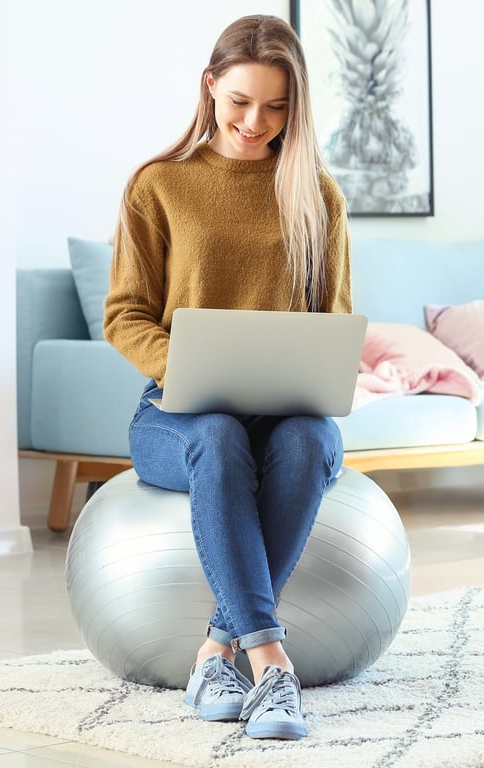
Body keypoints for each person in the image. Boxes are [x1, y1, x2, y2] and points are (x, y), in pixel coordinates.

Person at [102, 14, 352, 741]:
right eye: (242, 101)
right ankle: (273, 665)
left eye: (277, 107)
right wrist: (189, 369)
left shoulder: (318, 195)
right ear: (211, 88)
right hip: (176, 416)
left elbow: (331, 321)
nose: (256, 121)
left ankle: (215, 652)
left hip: (283, 416)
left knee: (308, 442)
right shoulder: (160, 185)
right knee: (216, 436)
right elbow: (125, 316)